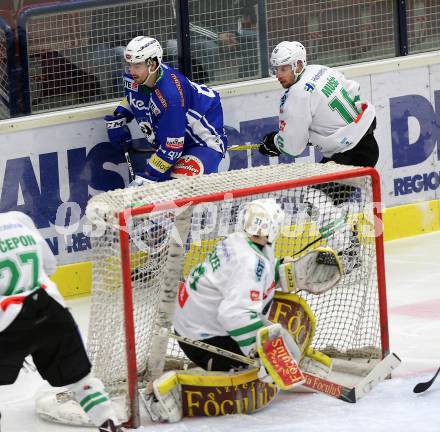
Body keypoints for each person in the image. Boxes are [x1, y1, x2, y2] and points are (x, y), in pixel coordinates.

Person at [142, 198, 342, 423]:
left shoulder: (239, 240)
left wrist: (290, 272)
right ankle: (173, 390)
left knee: (288, 310)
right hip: (203, 342)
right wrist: (259, 352)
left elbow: (250, 279)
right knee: (251, 389)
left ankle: (295, 357)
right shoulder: (249, 261)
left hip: (195, 324)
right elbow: (234, 314)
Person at [0, 211, 123, 432]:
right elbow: (50, 267)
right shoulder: (18, 219)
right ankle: (110, 424)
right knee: (81, 380)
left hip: (8, 325)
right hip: (51, 309)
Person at [104, 36, 228, 186]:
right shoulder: (138, 77)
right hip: (173, 139)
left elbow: (172, 147)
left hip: (200, 142)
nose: (131, 70)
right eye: (129, 64)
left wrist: (148, 175)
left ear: (153, 64)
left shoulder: (170, 95)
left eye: (137, 66)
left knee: (181, 191)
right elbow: (136, 97)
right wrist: (121, 115)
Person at [259, 41, 379, 168]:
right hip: (368, 143)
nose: (278, 75)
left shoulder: (298, 94)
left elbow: (293, 147)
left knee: (311, 189)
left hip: (350, 156)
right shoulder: (320, 70)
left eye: (283, 69)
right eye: (276, 69)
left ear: (298, 65)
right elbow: (353, 90)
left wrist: (275, 143)